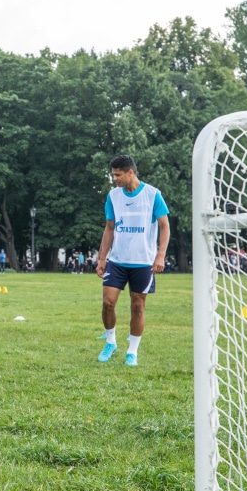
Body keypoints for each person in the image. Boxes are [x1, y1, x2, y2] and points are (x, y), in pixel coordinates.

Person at [94, 155, 170, 367]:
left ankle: (132, 351)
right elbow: (109, 228)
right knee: (108, 303)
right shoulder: (113, 196)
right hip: (117, 260)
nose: (115, 179)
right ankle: (110, 342)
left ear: (130, 172)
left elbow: (165, 226)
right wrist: (102, 258)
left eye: (118, 175)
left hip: (143, 262)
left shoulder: (153, 195)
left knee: (138, 306)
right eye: (113, 175)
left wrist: (160, 255)